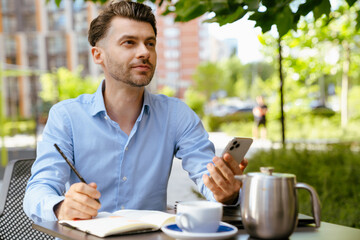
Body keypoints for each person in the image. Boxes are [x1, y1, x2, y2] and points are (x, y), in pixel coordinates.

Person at [23, 0, 247, 222]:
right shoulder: (66, 117)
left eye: (150, 43)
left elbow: (207, 177)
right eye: (129, 42)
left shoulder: (177, 115)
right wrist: (61, 207)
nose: (144, 52)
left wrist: (225, 191)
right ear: (98, 55)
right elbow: (39, 189)